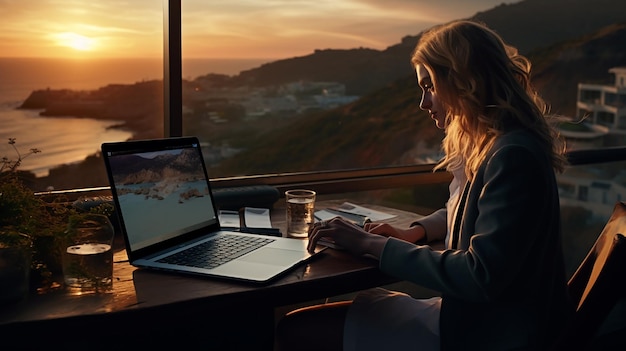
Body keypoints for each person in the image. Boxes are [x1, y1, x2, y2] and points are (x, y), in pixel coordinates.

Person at [274, 19, 575, 351]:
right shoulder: (493, 144)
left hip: (492, 335)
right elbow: (465, 211)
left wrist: (369, 244)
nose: (423, 102)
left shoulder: (512, 155)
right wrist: (413, 232)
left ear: (462, 81)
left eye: (428, 86)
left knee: (299, 329)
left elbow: (480, 276)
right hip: (476, 318)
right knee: (317, 320)